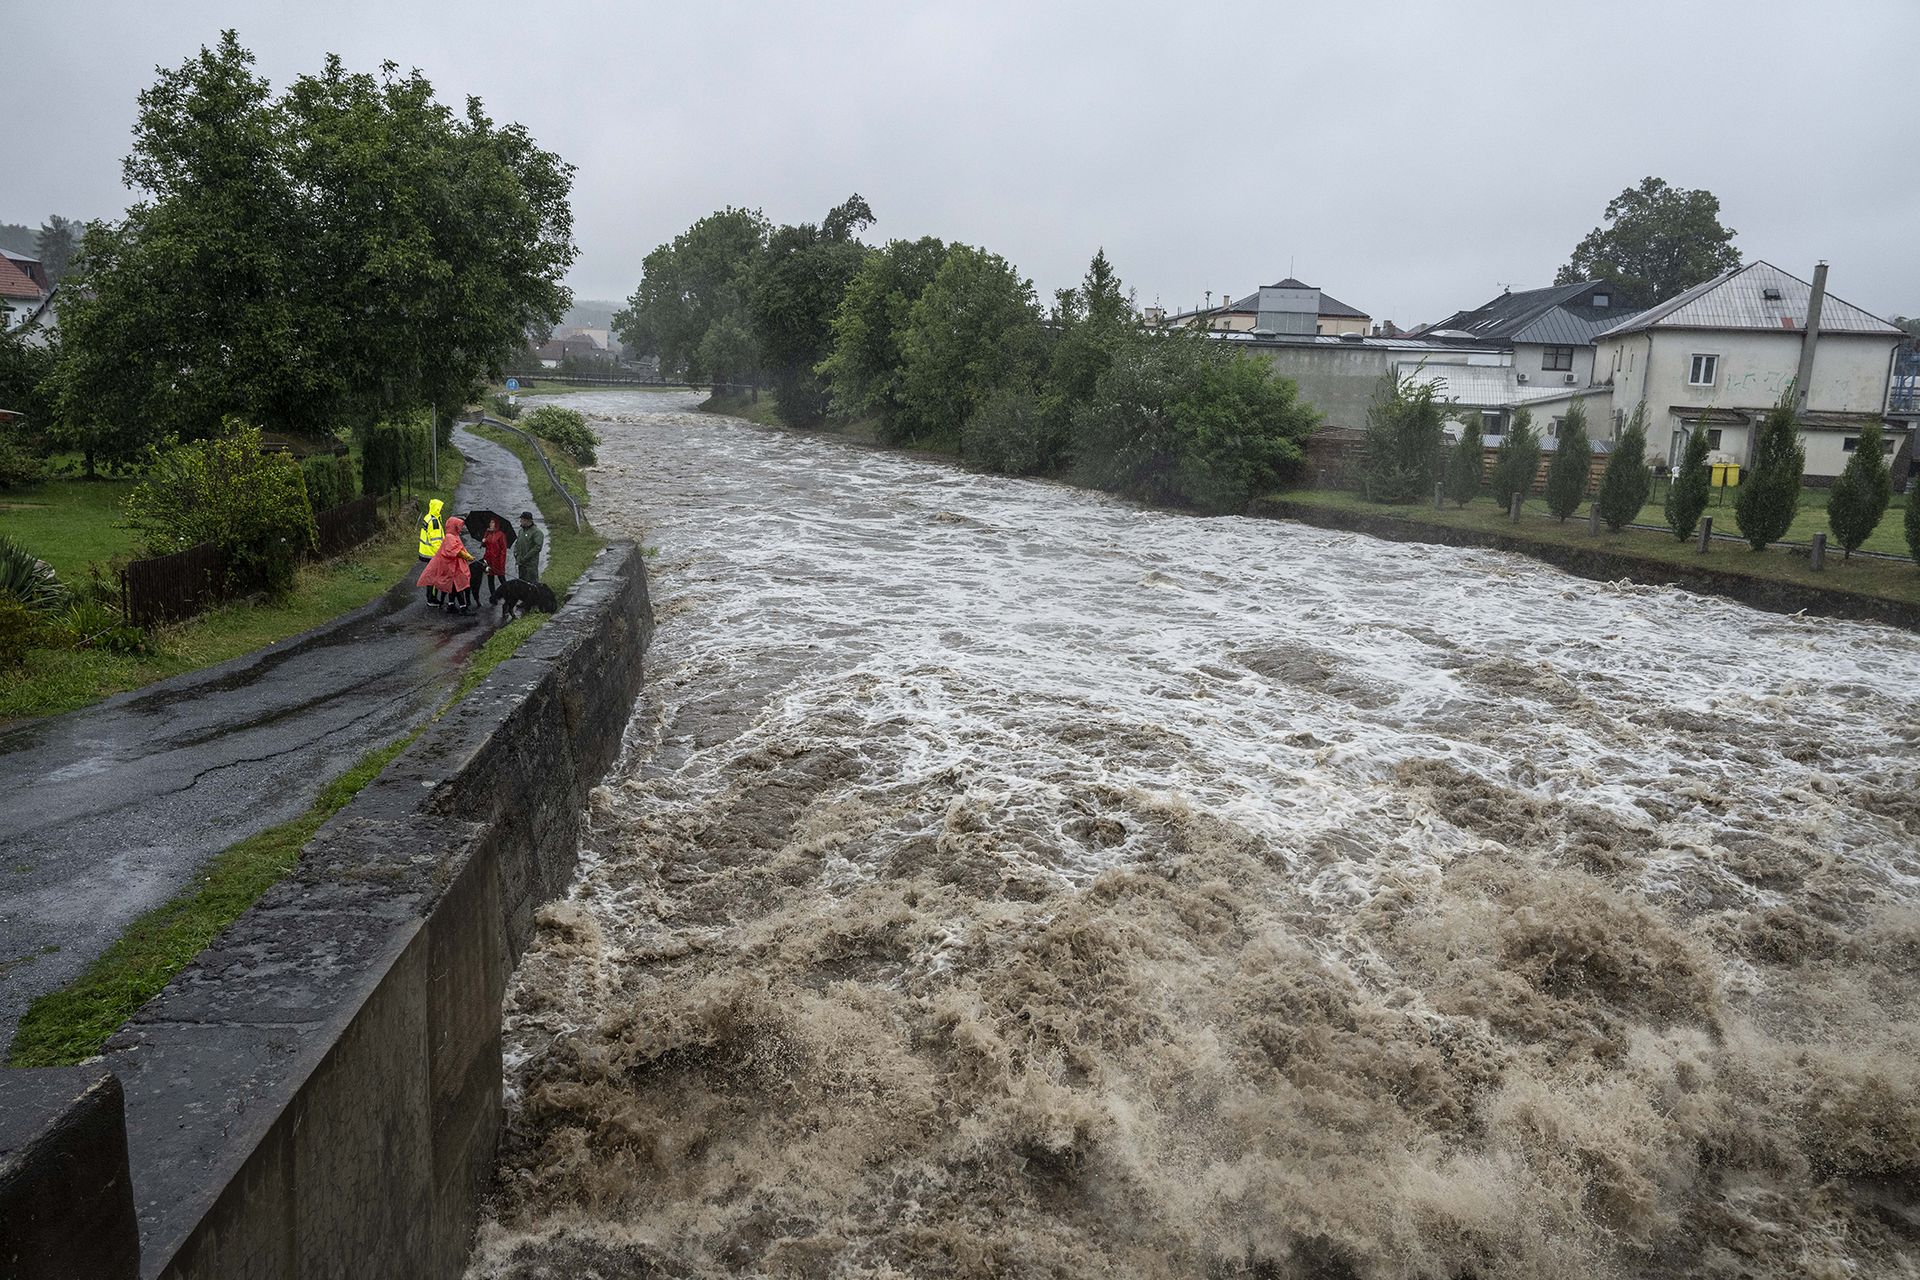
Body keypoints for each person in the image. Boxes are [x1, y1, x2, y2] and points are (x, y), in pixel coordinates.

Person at [417, 514, 476, 614]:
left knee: (454, 587)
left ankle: (451, 605)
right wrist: (468, 557)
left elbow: (461, 549)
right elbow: (455, 551)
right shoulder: (450, 537)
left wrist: (467, 555)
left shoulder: (454, 536)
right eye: (459, 526)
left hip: (455, 566)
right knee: (457, 587)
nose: (460, 528)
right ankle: (463, 608)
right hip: (452, 567)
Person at [416, 497, 446, 605]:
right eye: (440, 508)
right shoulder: (435, 522)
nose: (442, 510)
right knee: (434, 577)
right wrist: (441, 554)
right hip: (433, 553)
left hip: (426, 551)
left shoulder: (428, 517)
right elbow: (436, 541)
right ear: (436, 508)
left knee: (430, 575)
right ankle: (432, 598)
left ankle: (430, 596)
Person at [481, 517, 509, 604]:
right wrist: (483, 541)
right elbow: (485, 545)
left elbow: (503, 550)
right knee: (490, 578)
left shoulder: (501, 535)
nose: (490, 524)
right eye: (490, 522)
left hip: (497, 561)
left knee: (502, 579)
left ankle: (508, 595)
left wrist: (501, 563)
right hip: (489, 560)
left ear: (496, 524)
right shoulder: (488, 533)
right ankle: (493, 597)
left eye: (492, 522)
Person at [513, 510, 544, 584]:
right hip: (521, 564)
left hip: (530, 565)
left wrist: (526, 557)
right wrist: (516, 554)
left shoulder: (537, 532)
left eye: (522, 519)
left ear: (528, 520)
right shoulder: (521, 531)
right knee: (522, 584)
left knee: (531, 584)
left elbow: (538, 547)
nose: (520, 521)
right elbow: (517, 543)